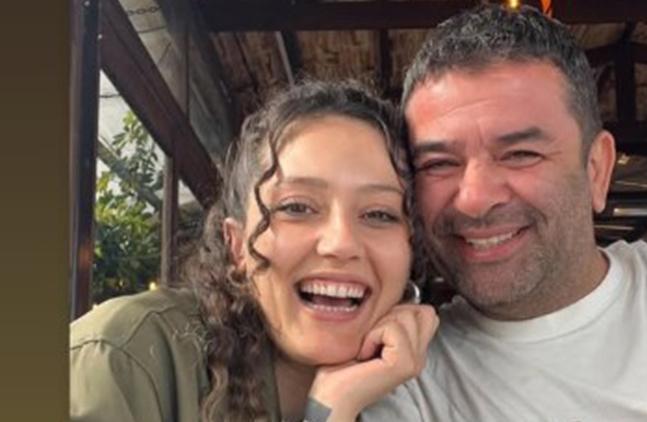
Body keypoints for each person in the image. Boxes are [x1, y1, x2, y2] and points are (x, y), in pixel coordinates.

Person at [362, 4, 647, 421]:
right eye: (438, 163)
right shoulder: (403, 380)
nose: (475, 200)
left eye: (521, 154)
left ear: (596, 169)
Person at [70, 80, 439, 422]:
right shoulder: (124, 359)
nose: (341, 243)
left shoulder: (418, 393)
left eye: (379, 214)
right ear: (237, 247)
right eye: (297, 207)